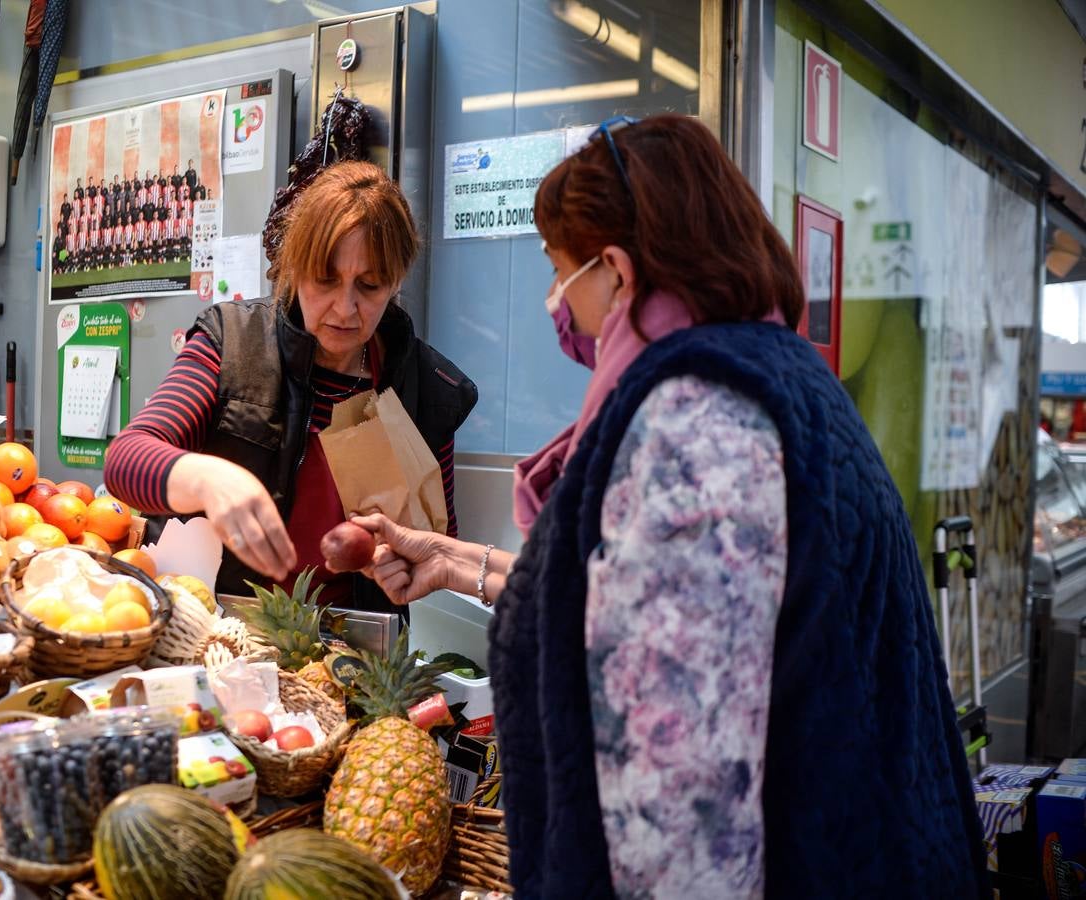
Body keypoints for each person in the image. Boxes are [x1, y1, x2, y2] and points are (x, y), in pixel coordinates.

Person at [354, 114, 987, 898]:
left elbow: (681, 806)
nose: (557, 305)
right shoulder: (778, 377)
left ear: (616, 271)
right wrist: (455, 562)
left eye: (560, 273)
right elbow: (656, 610)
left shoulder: (697, 423)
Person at [104, 160, 477, 613]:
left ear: (396, 282)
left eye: (370, 285)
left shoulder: (427, 388)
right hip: (216, 628)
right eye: (325, 280)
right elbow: (126, 459)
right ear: (294, 267)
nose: (346, 307)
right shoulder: (235, 342)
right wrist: (209, 480)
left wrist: (406, 560)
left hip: (350, 644)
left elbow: (440, 541)